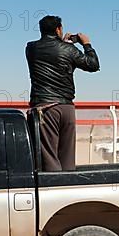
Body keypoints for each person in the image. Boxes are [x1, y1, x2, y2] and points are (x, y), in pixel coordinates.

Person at [26, 15, 100, 171]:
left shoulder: (31, 48)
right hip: (67, 108)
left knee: (49, 156)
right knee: (67, 156)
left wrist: (63, 43)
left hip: (45, 108)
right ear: (59, 29)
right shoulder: (69, 50)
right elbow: (93, 65)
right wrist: (86, 44)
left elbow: (53, 56)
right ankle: (68, 188)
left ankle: (53, 190)